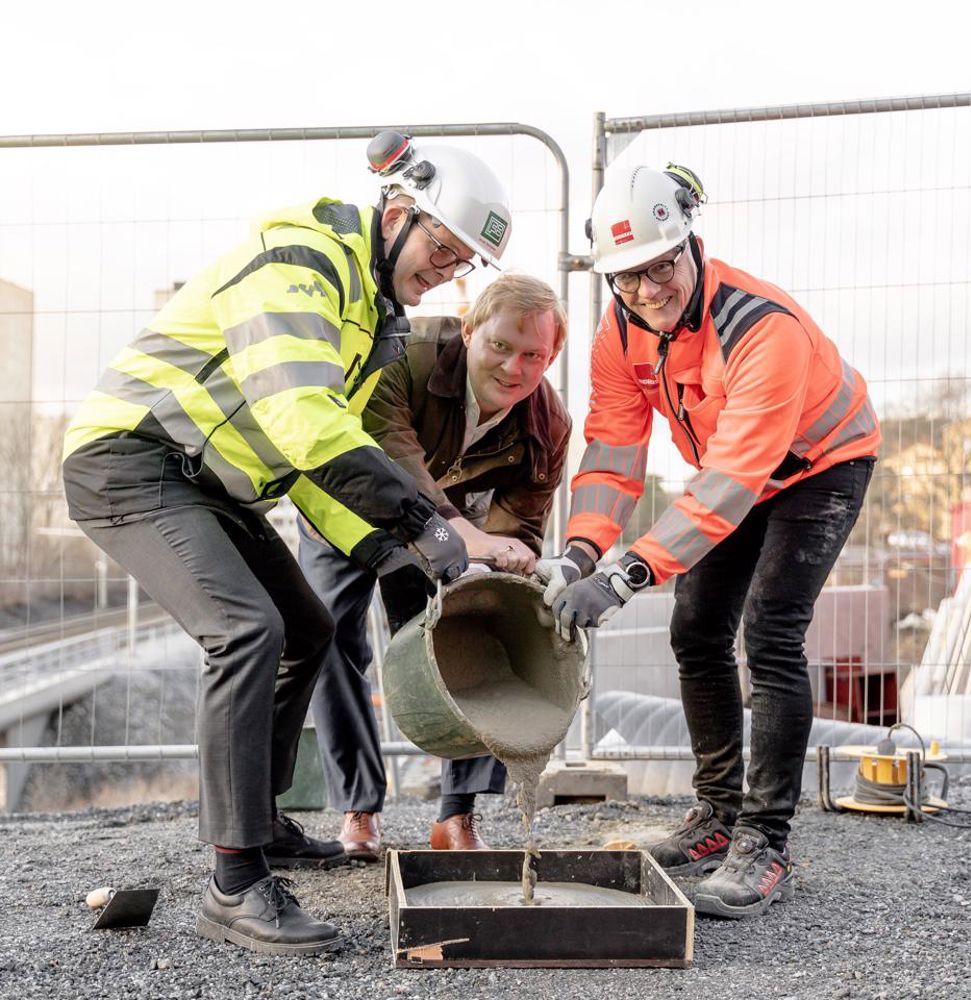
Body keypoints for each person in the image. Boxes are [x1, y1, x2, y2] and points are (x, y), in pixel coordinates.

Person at [61, 132, 512, 955]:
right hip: (131, 458)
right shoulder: (300, 258)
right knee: (245, 631)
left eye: (461, 264)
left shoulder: (372, 311)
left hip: (211, 480)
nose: (446, 270)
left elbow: (310, 464)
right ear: (400, 212)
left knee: (308, 629)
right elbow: (303, 420)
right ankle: (235, 883)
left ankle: (258, 823)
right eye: (443, 248)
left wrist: (385, 550)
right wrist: (424, 522)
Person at [535, 163, 879, 920]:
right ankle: (717, 815)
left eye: (662, 265)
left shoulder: (763, 329)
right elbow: (614, 448)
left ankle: (764, 839)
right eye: (627, 278)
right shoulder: (620, 330)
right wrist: (581, 552)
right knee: (696, 630)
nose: (649, 289)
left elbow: (728, 485)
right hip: (737, 469)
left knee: (772, 632)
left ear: (692, 242)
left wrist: (626, 574)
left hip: (820, 465)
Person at [298, 272, 570, 858]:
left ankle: (457, 815)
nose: (514, 369)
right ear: (469, 329)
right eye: (500, 346)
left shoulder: (548, 424)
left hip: (449, 531)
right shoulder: (406, 353)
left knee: (470, 632)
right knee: (331, 639)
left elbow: (519, 526)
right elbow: (394, 460)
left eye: (533, 356)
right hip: (350, 504)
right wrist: (465, 534)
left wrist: (507, 564)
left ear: (551, 357)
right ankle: (360, 807)